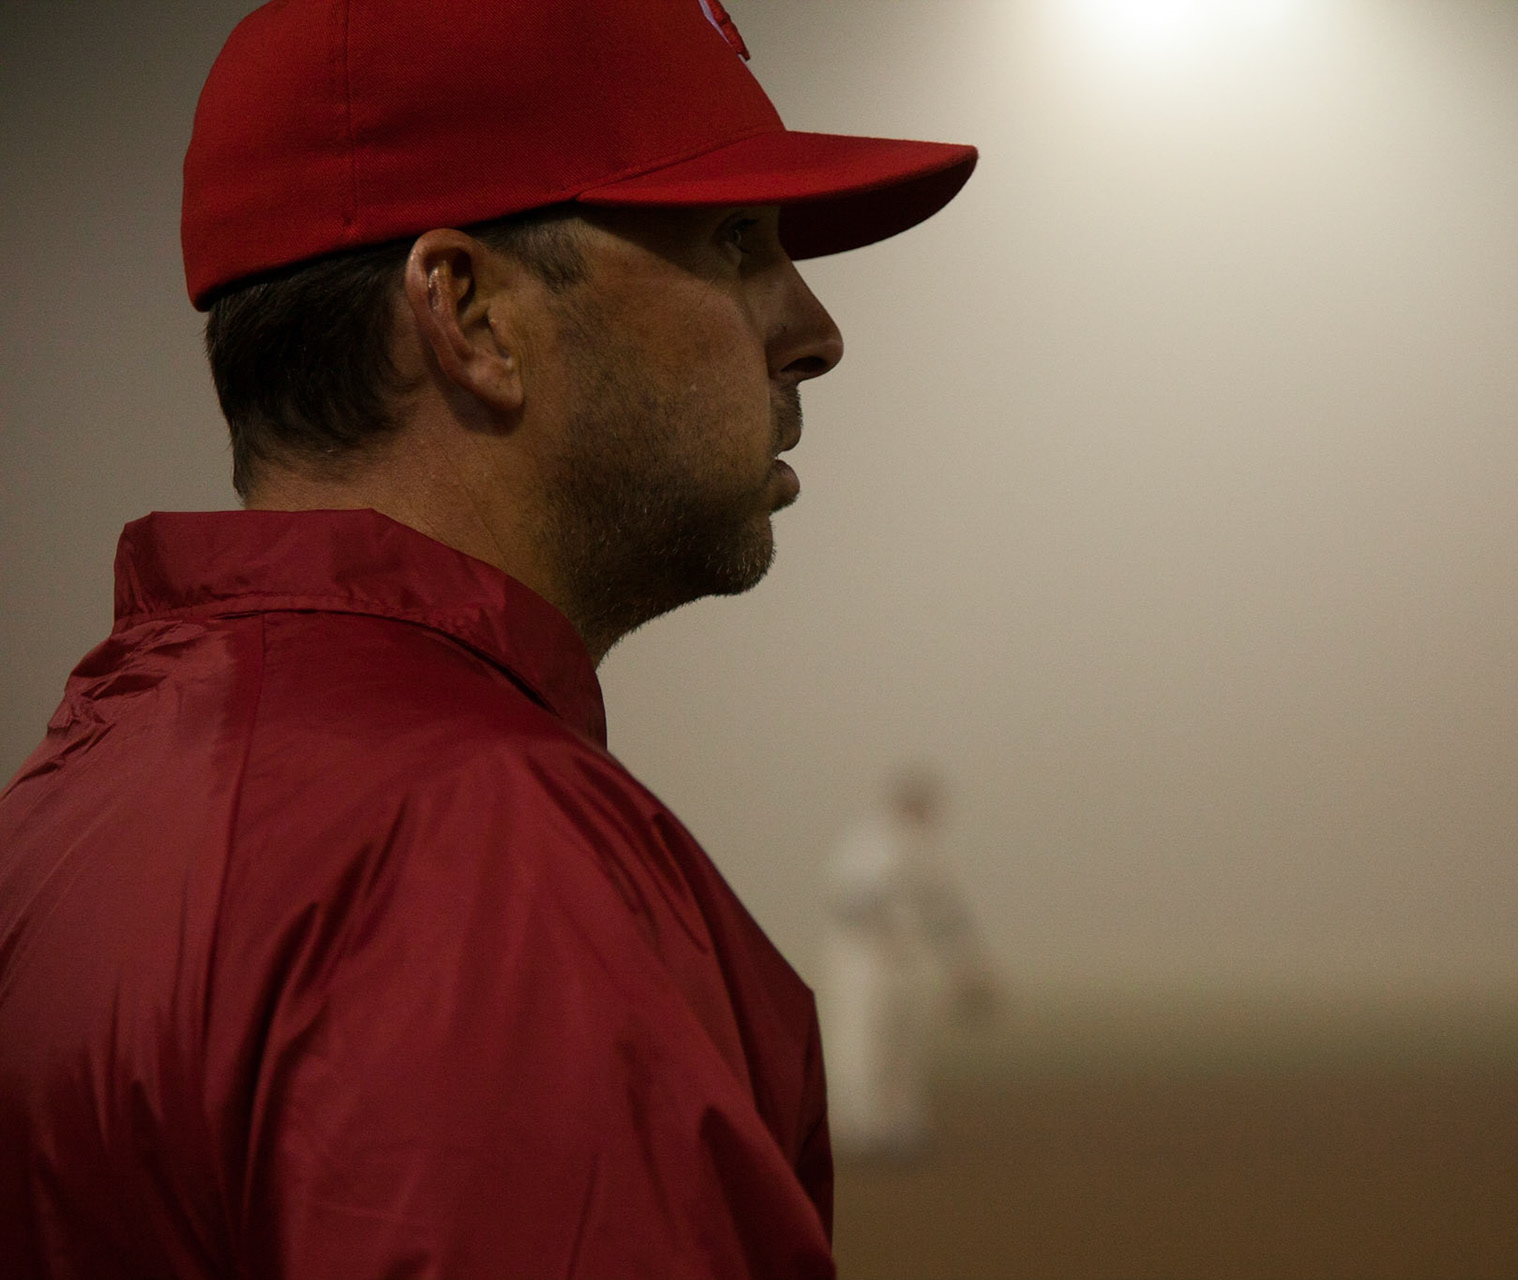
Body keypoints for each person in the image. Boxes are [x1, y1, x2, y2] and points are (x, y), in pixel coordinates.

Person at [0, 2, 975, 1276]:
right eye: (736, 242)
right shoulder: (480, 867)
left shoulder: (68, 807)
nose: (812, 330)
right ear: (468, 314)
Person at [820, 768, 996, 1160]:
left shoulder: (927, 851)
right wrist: (886, 925)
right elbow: (846, 899)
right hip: (864, 960)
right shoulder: (866, 843)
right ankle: (859, 1126)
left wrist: (967, 968)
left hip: (908, 961)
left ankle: (898, 1125)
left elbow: (946, 914)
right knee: (861, 1040)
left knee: (904, 1042)